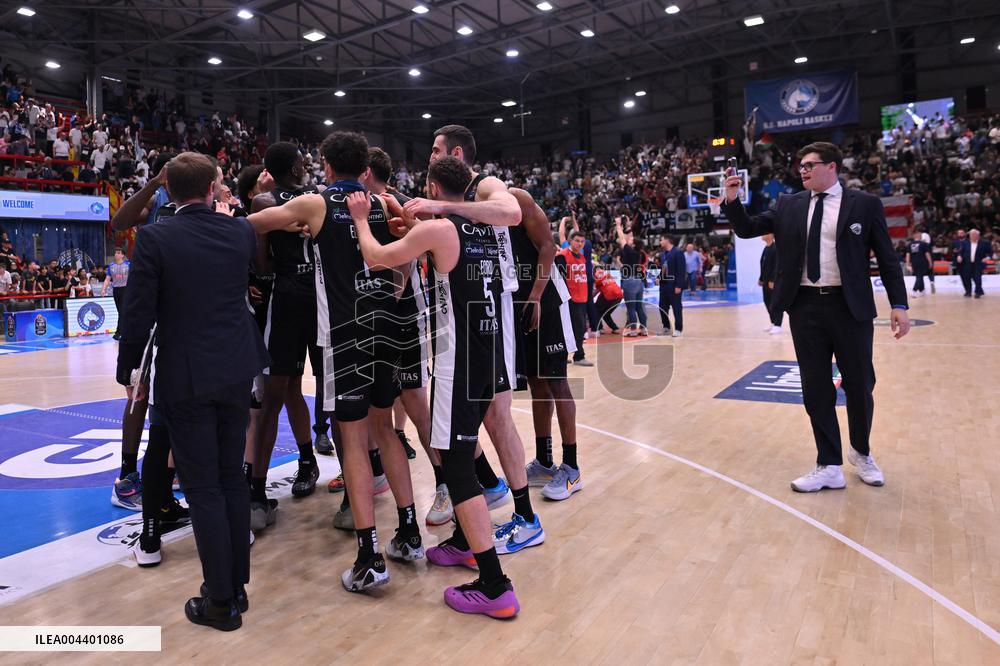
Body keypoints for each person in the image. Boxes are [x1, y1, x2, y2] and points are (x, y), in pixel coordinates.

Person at [247, 131, 423, 593]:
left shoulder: (315, 204)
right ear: (365, 166)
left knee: (353, 438)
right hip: (389, 327)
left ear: (325, 165)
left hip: (347, 336)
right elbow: (407, 260)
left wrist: (258, 205)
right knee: (386, 431)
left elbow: (256, 222)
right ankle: (408, 533)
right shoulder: (385, 204)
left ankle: (368, 556)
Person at [350, 156, 520, 618]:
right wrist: (416, 219)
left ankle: (493, 583)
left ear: (429, 185)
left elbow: (376, 256)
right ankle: (467, 541)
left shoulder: (441, 229)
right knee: (458, 455)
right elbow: (483, 218)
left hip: (457, 364)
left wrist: (364, 221)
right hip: (490, 358)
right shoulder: (487, 223)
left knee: (458, 466)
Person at [116, 151, 269, 631]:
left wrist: (129, 372)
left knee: (202, 486)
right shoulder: (240, 230)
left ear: (168, 192)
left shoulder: (155, 237)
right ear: (211, 189)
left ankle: (220, 602)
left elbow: (138, 313)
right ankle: (236, 588)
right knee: (229, 480)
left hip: (184, 375)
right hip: (236, 369)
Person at [721, 141, 910, 493]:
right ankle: (829, 464)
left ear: (833, 167)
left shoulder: (864, 205)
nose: (803, 170)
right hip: (805, 307)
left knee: (860, 385)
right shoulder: (789, 204)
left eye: (811, 164)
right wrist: (732, 200)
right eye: (801, 165)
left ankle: (862, 452)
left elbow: (887, 257)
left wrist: (899, 303)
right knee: (816, 388)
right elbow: (747, 227)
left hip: (849, 307)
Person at [405, 125, 543, 556]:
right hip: (463, 317)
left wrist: (438, 206)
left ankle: (522, 516)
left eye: (435, 150)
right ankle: (482, 499)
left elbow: (513, 214)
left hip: (491, 314)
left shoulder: (485, 184)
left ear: (457, 153)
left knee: (496, 418)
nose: (429, 158)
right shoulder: (455, 204)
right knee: (474, 421)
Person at [246, 142, 324, 532]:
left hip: (288, 295)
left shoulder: (263, 202)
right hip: (324, 298)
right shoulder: (318, 198)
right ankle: (319, 468)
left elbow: (259, 261)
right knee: (333, 394)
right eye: (303, 161)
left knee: (276, 396)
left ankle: (257, 493)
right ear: (294, 167)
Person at [509, 188, 582, 501]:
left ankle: (572, 468)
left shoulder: (516, 200)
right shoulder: (472, 210)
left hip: (547, 300)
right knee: (537, 384)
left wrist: (536, 296)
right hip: (521, 303)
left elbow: (549, 247)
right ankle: (544, 460)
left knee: (557, 383)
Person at [557, 231, 593, 366]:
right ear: (570, 241)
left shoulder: (582, 256)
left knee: (579, 328)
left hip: (581, 298)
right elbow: (559, 279)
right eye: (577, 241)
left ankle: (569, 355)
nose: (580, 244)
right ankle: (578, 356)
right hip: (569, 299)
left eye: (582, 241)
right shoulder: (562, 256)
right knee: (571, 328)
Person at [614, 215, 647, 336]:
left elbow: (622, 238)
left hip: (630, 281)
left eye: (632, 241)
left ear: (633, 245)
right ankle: (643, 329)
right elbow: (628, 236)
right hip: (638, 281)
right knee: (639, 306)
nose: (630, 240)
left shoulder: (630, 251)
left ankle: (633, 330)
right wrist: (627, 225)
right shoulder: (637, 252)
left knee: (631, 307)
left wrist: (618, 225)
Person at [657, 235, 685, 337]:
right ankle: (666, 327)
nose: (660, 242)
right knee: (662, 307)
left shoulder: (678, 252)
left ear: (667, 240)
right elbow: (664, 267)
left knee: (676, 307)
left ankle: (678, 328)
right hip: (664, 285)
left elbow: (681, 270)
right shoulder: (663, 254)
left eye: (661, 240)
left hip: (674, 285)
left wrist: (679, 285)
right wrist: (659, 277)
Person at [759, 234, 782, 333]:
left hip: (773, 282)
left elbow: (777, 265)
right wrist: (761, 278)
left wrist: (773, 280)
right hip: (765, 281)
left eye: (765, 233)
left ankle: (778, 324)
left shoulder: (775, 248)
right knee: (767, 301)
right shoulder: (766, 249)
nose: (762, 235)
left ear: (771, 235)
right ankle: (773, 322)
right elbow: (763, 265)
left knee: (775, 302)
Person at [957, 228, 990, 298]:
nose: (973, 236)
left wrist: (987, 258)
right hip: (967, 263)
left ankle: (978, 292)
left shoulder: (984, 243)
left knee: (977, 278)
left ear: (978, 235)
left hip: (978, 263)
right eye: (971, 235)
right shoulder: (965, 243)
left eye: (975, 234)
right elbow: (961, 252)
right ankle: (968, 292)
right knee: (967, 278)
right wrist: (959, 256)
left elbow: (990, 252)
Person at [593, 265, 623, 333]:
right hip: (619, 296)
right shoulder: (608, 275)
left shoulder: (597, 278)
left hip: (610, 296)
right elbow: (605, 288)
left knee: (596, 309)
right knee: (606, 314)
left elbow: (596, 291)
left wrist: (588, 299)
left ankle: (600, 329)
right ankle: (615, 328)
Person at [905, 232, 932, 296]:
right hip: (922, 262)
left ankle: (922, 290)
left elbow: (908, 255)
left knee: (919, 276)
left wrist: (907, 263)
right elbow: (927, 254)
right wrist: (930, 262)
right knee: (919, 276)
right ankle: (914, 290)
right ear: (920, 237)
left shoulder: (910, 244)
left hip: (914, 263)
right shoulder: (923, 244)